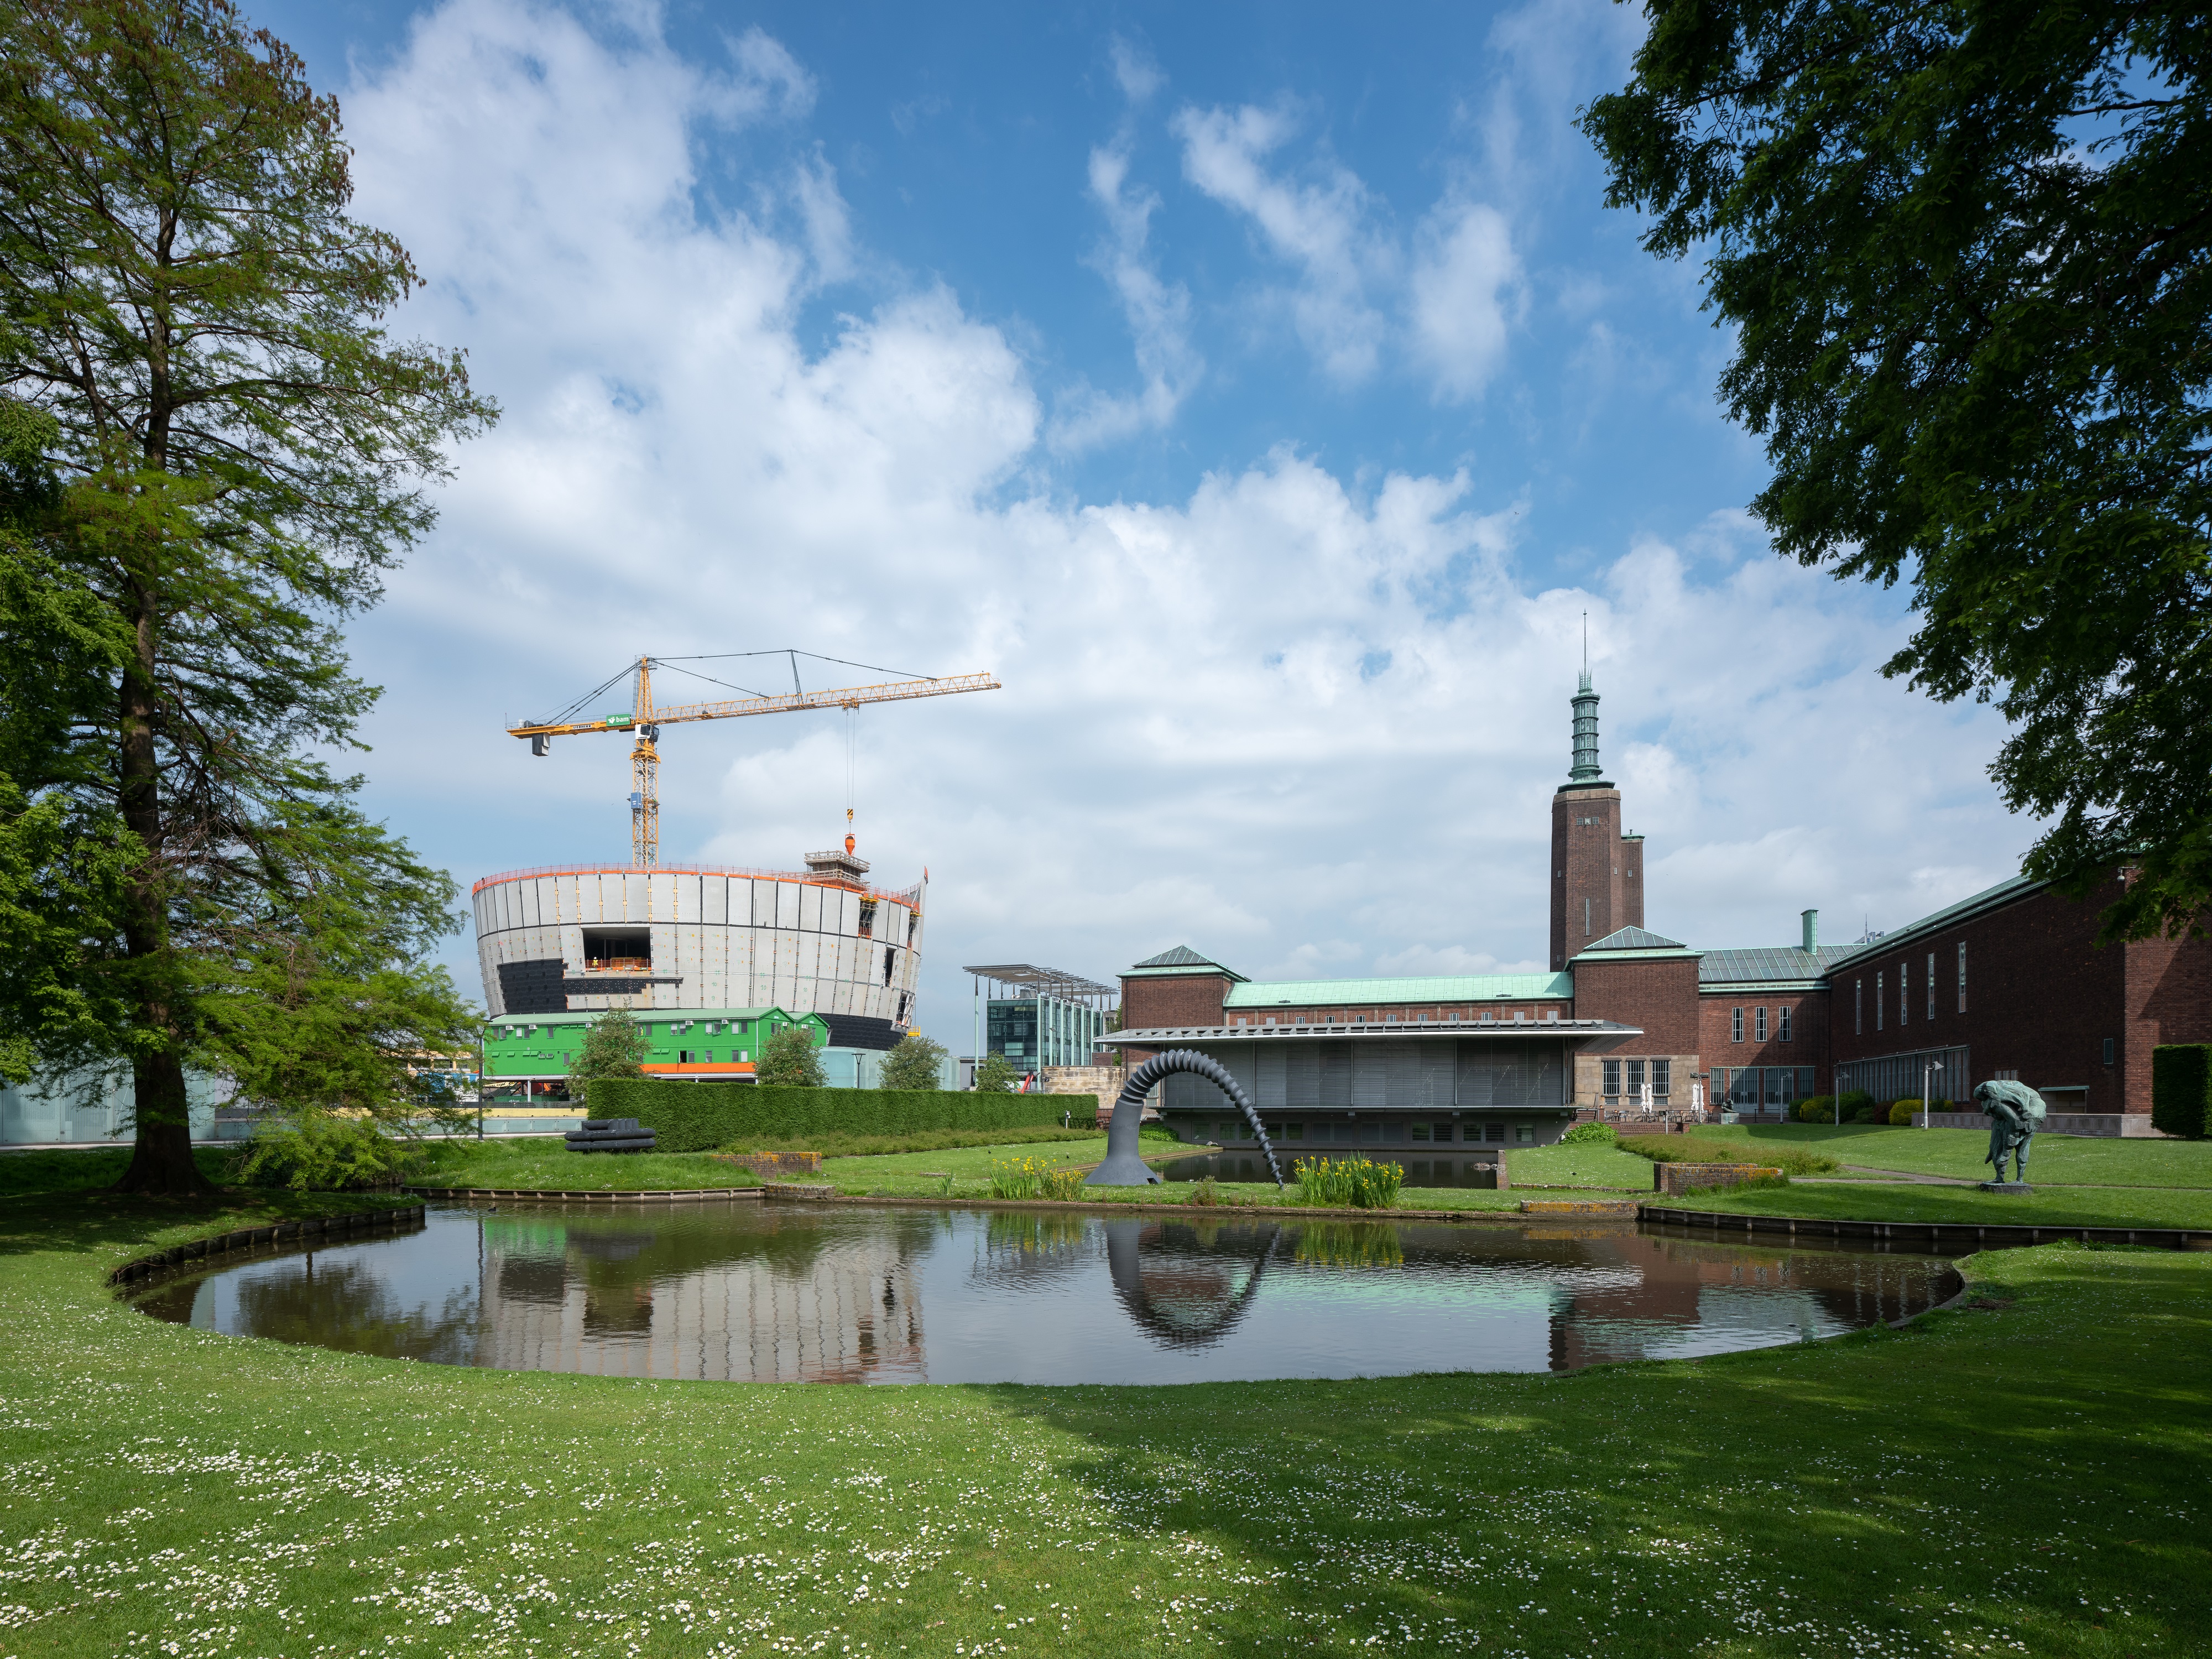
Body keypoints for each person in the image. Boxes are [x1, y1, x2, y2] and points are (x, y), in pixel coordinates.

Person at [1974, 1079, 2047, 1185]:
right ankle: (1999, 1178)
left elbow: (2015, 1122)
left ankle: (2019, 1180)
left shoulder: (1999, 1103)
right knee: (1996, 1146)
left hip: (2033, 1113)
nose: (1991, 1116)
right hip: (2017, 1115)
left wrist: (2006, 1151)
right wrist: (1994, 1149)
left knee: (2022, 1147)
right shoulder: (1990, 1101)